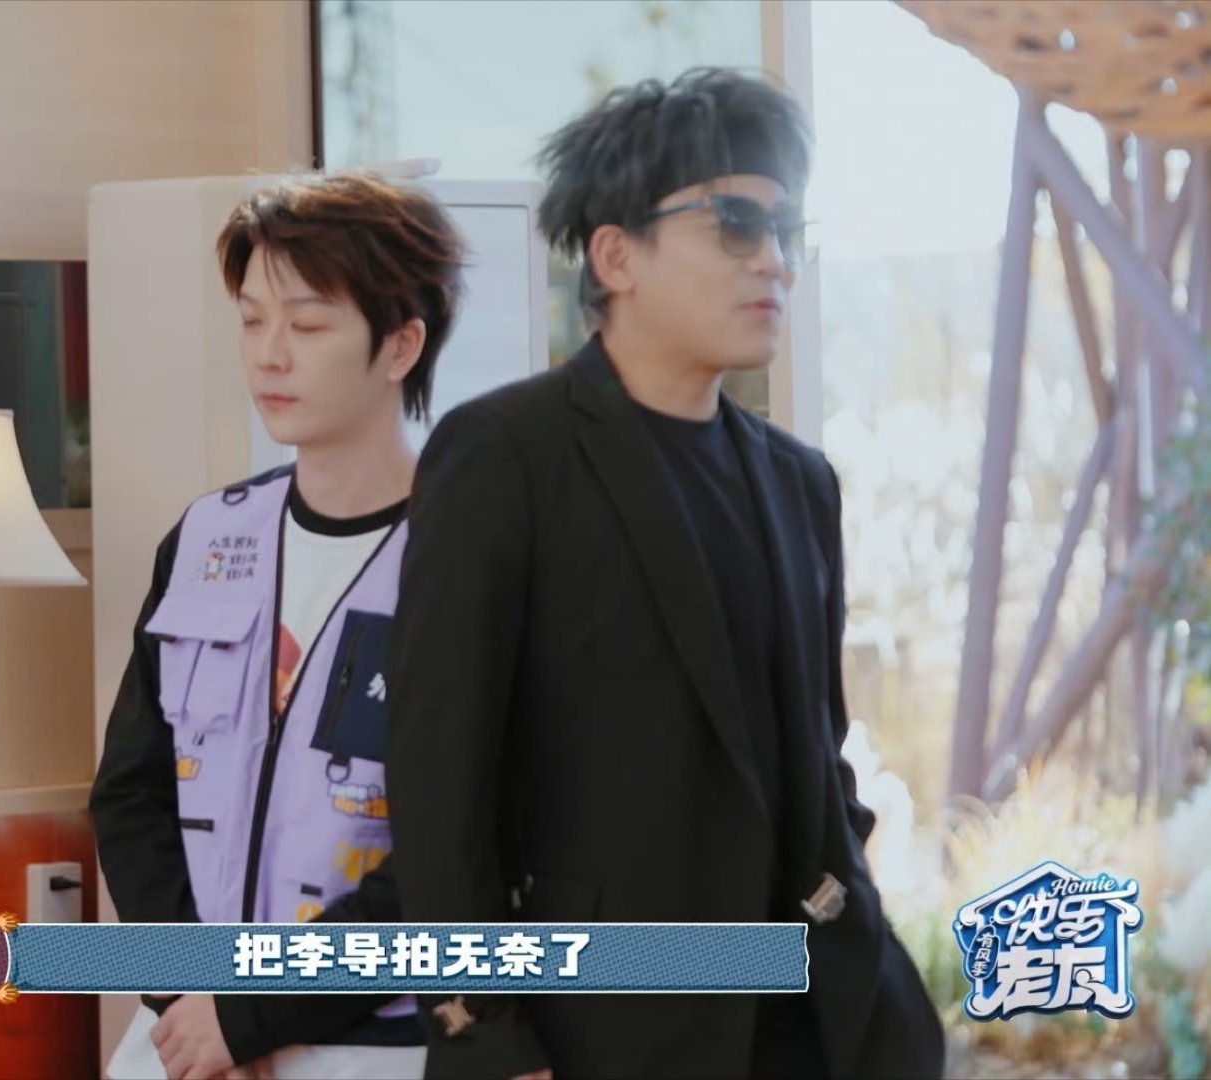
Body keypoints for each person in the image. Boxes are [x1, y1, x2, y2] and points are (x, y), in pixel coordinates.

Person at [382, 68, 946, 1079]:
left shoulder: (798, 481)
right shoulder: (506, 455)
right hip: (599, 1032)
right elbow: (438, 791)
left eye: (786, 230)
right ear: (615, 255)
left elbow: (814, 758)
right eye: (734, 224)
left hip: (819, 1024)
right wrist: (488, 1037)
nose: (771, 261)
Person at [90, 172, 466, 1080]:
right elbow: (130, 795)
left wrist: (256, 1011)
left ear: (401, 344)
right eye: (252, 321)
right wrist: (199, 999)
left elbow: (454, 855)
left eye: (306, 325)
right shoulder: (207, 537)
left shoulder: (465, 561)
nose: (269, 355)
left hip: (371, 1045)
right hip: (186, 1038)